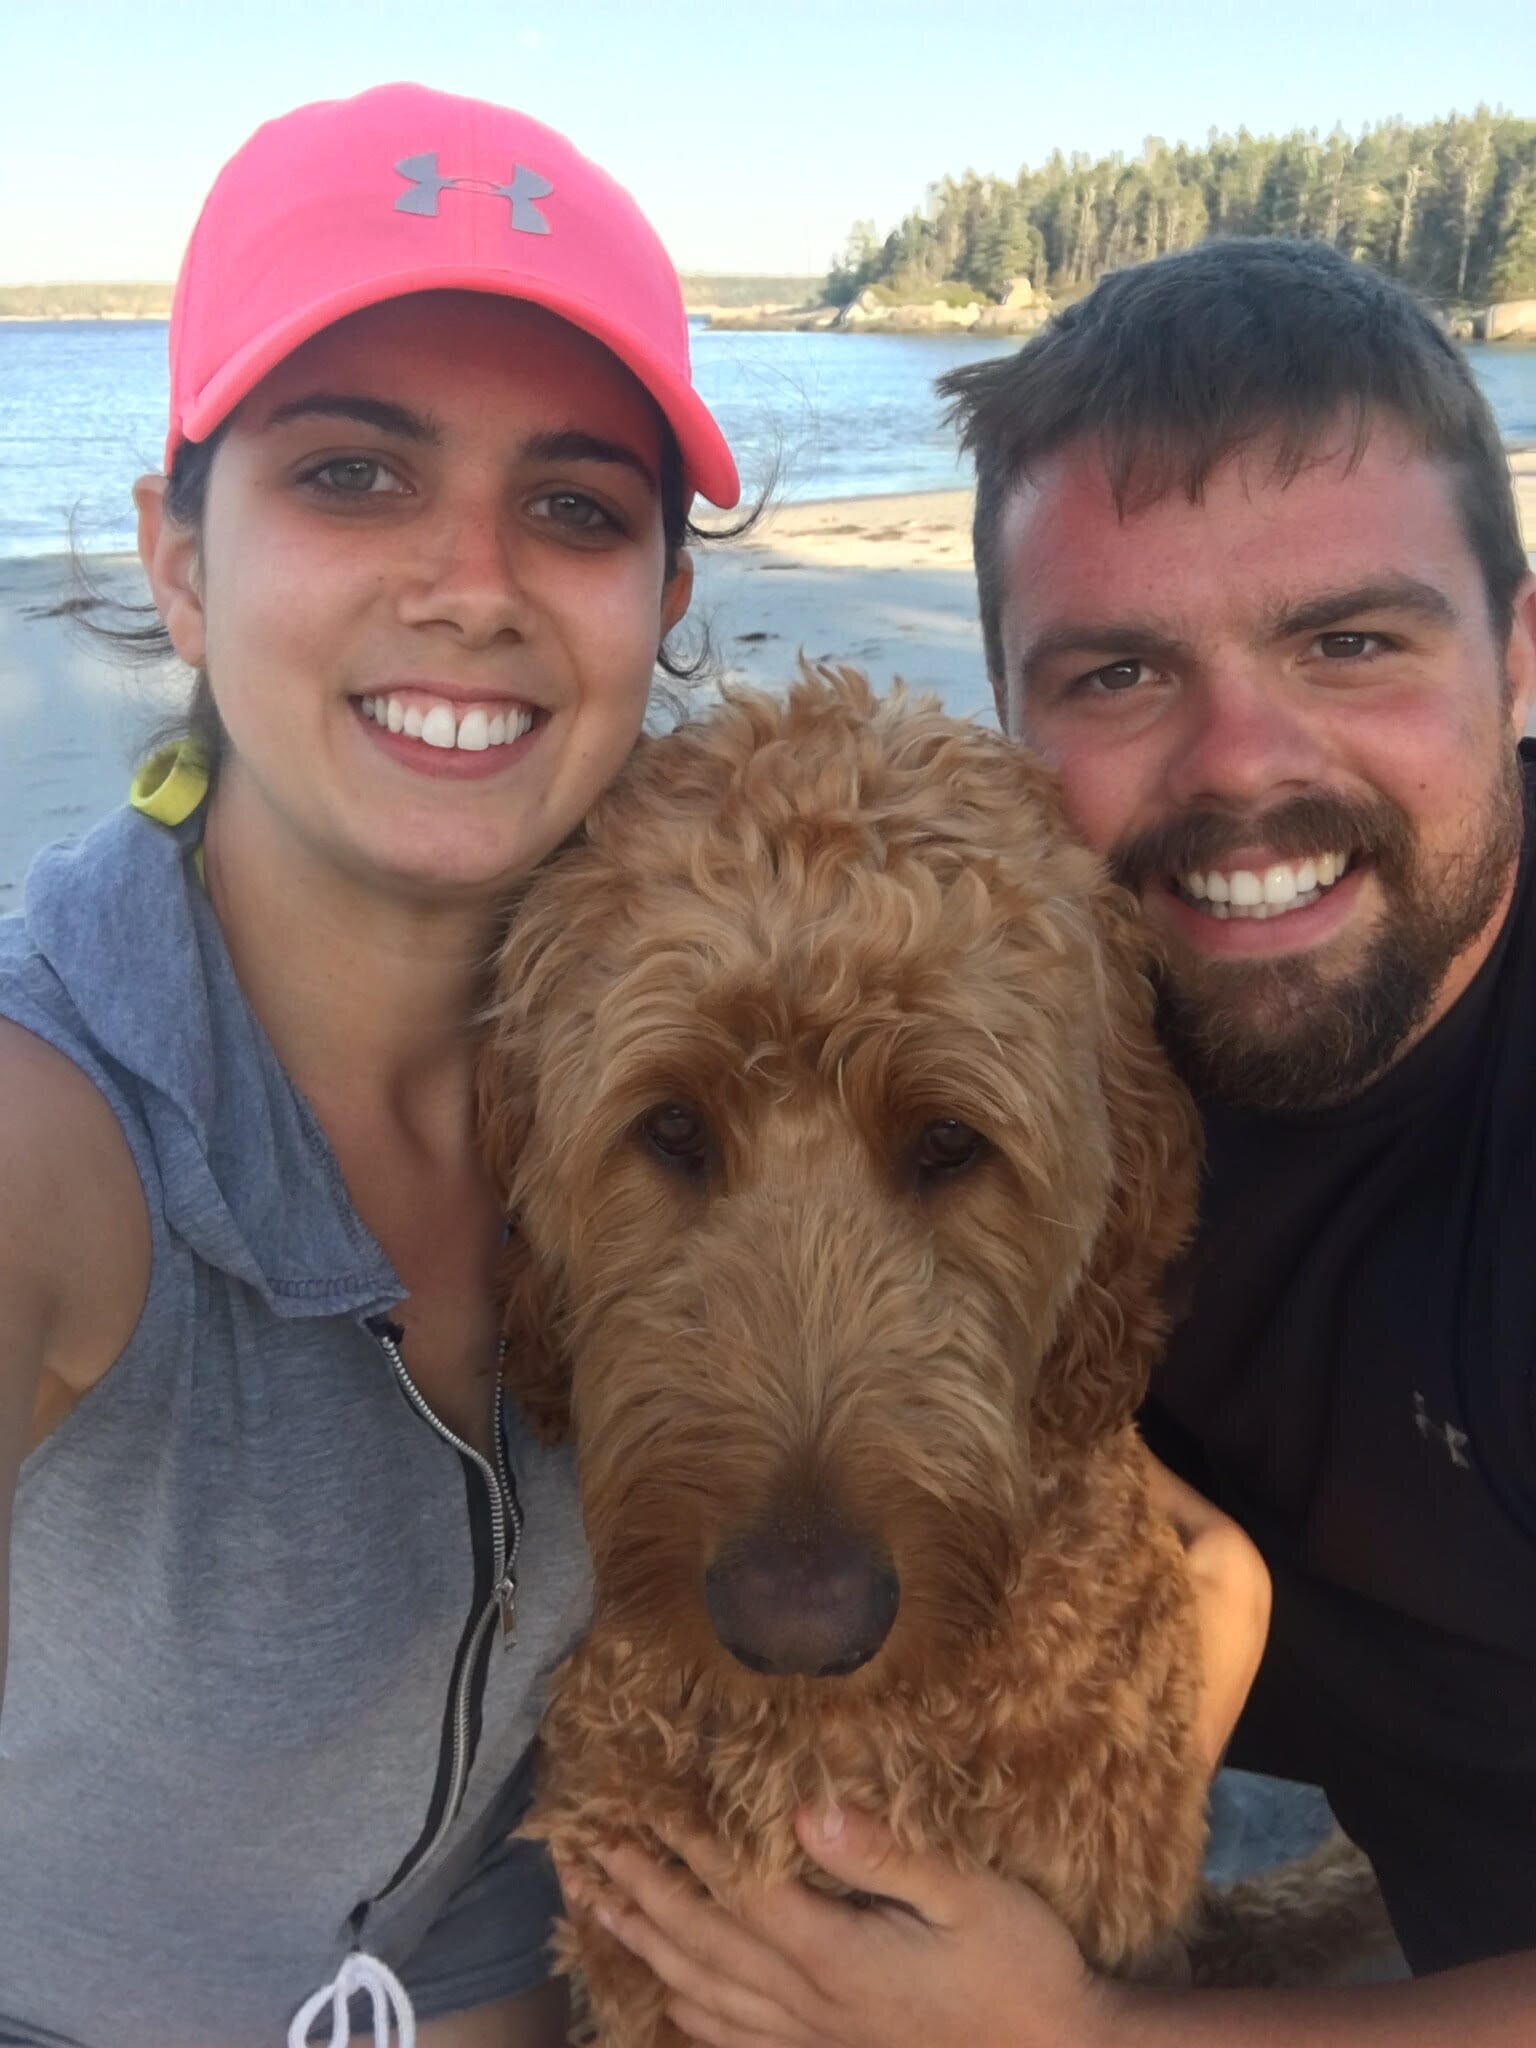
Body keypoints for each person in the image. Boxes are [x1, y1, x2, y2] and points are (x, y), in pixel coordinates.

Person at [589, 241, 1536, 2043]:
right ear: (1010, 726)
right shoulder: (1053, 1006)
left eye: (1350, 641)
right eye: (1118, 674)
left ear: (1518, 655)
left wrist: (1094, 2038)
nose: (1245, 764)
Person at [0, 81, 738, 2048]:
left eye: (576, 506)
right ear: (175, 555)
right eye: (351, 473)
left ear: (664, 606)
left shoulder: (724, 1068)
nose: (474, 581)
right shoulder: (46, 1122)